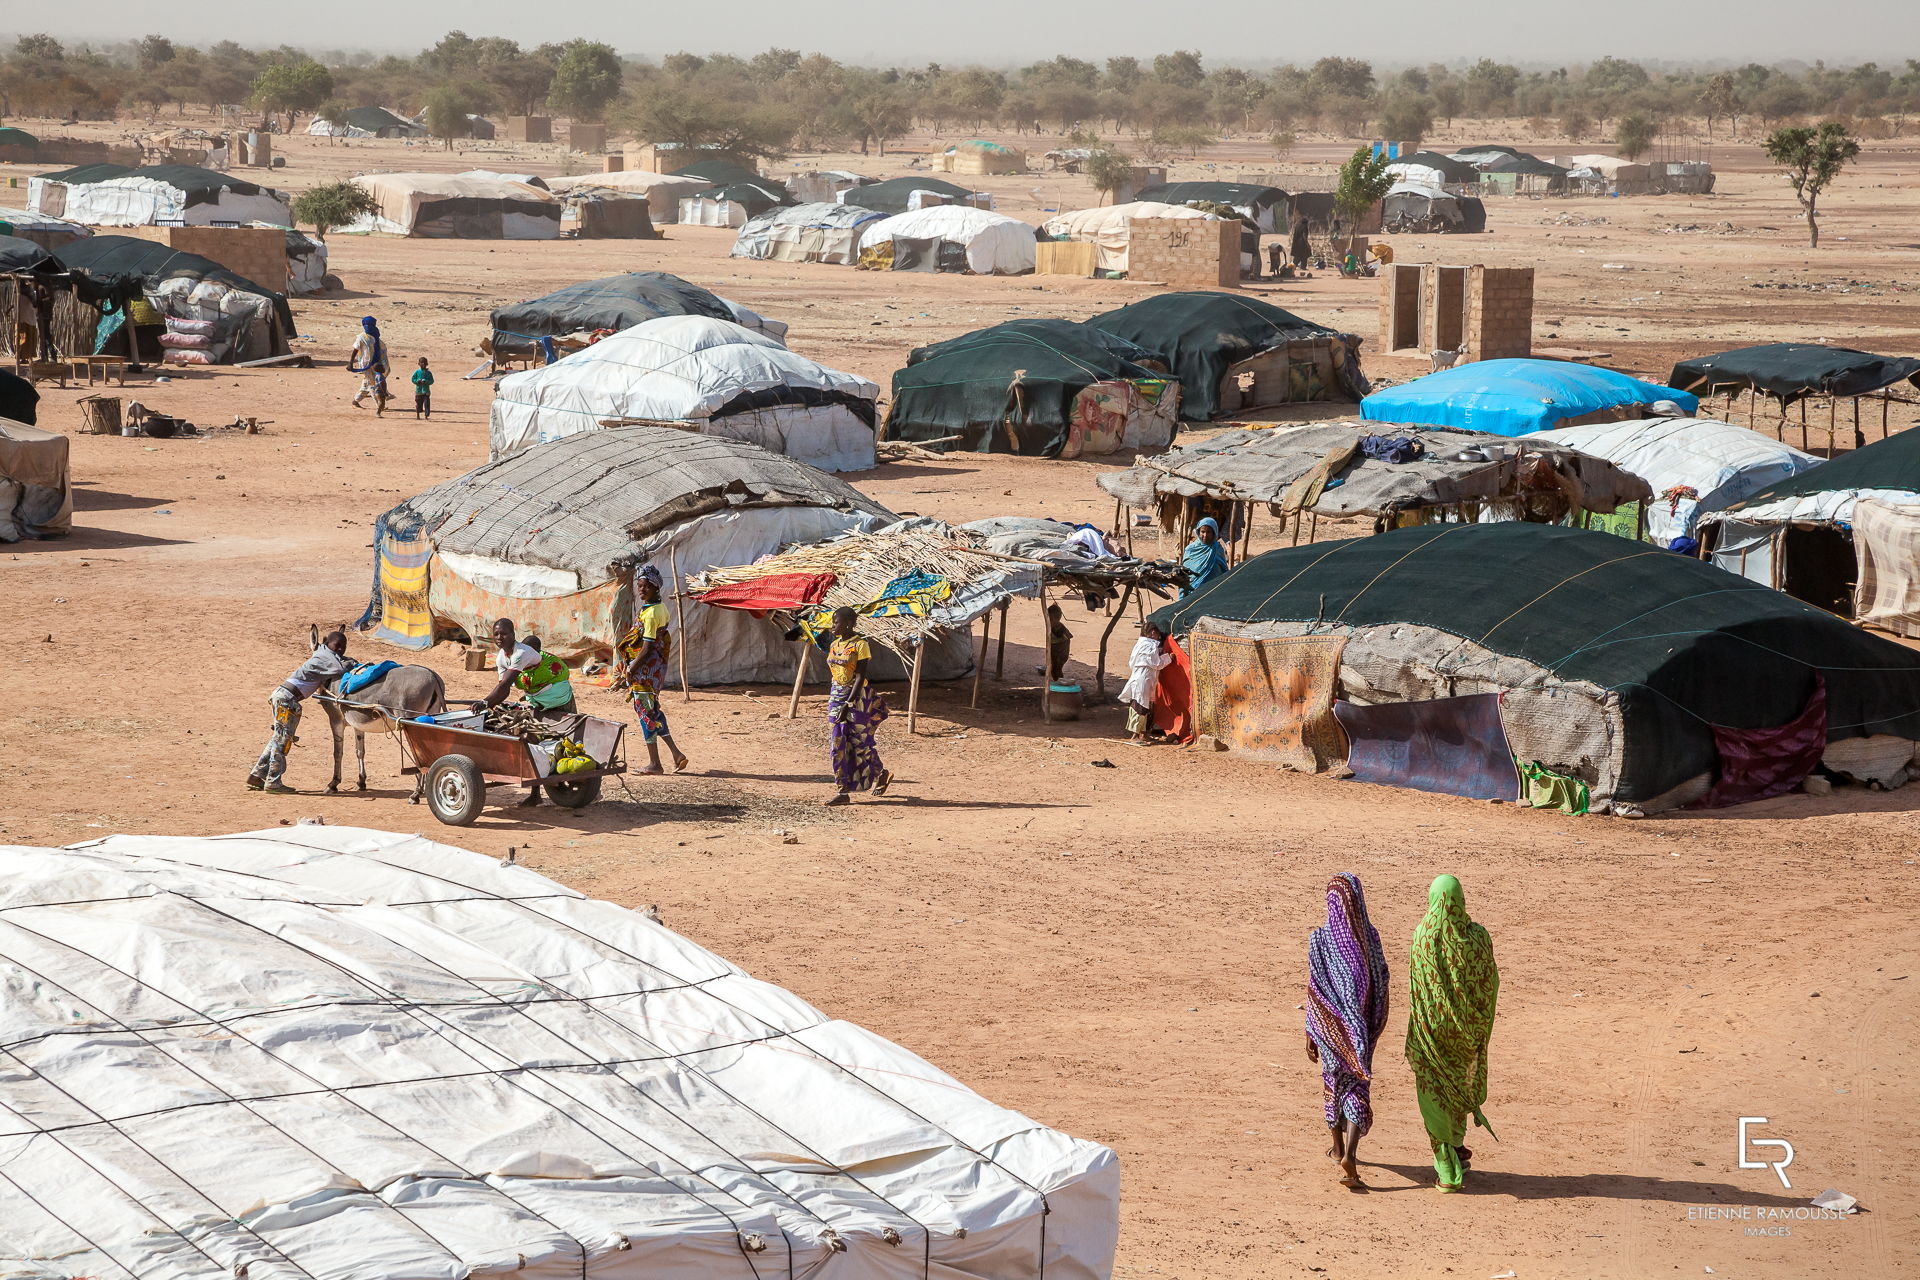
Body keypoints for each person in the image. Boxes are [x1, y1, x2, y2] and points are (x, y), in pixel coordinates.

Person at [1406, 873, 1500, 1192]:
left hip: (1432, 1035)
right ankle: (1458, 1145)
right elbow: (1490, 984)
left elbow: (1418, 988)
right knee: (1460, 1086)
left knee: (1434, 1095)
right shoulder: (1479, 937)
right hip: (1469, 1035)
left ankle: (1446, 1166)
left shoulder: (1423, 937)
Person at [1306, 872, 1392, 1189]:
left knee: (1332, 1083)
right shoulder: (1370, 938)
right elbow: (1382, 982)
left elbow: (1314, 990)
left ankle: (1337, 1146)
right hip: (1361, 1029)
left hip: (1328, 1029)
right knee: (1357, 1086)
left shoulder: (1319, 939)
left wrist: (1311, 1033)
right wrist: (1373, 1024)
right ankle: (1351, 1153)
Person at [472, 618, 576, 805]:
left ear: (513, 634)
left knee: (561, 743)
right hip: (536, 703)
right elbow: (502, 690)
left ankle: (563, 784)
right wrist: (489, 705)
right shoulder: (501, 658)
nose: (499, 637)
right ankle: (536, 794)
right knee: (533, 742)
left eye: (503, 633)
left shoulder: (521, 653)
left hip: (559, 701)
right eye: (496, 634)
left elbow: (505, 686)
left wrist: (484, 702)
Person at [250, 630, 351, 794]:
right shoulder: (325, 656)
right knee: (283, 741)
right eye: (337, 646)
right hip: (287, 700)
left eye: (343, 647)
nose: (340, 650)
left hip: (284, 697)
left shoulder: (323, 653)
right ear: (328, 644)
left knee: (278, 737)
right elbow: (341, 668)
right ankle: (273, 782)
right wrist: (352, 662)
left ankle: (256, 775)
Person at [613, 566, 689, 775]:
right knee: (654, 712)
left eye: (646, 586)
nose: (642, 590)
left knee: (646, 715)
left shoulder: (652, 613)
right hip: (653, 671)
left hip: (645, 673)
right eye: (640, 586)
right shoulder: (658, 608)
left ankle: (655, 764)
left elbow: (646, 648)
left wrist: (630, 668)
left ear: (656, 587)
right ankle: (676, 754)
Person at [824, 605, 892, 805]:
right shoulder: (834, 645)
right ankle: (842, 791)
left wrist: (849, 703)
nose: (833, 626)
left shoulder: (860, 645)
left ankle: (881, 773)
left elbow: (860, 676)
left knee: (860, 743)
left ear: (848, 624)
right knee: (837, 743)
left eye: (836, 622)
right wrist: (839, 701)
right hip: (836, 696)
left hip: (858, 698)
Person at [1118, 620, 1171, 745]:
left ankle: (1143, 734)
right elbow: (1156, 663)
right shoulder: (1149, 646)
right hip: (1144, 678)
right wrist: (1169, 657)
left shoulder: (1141, 644)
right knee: (1140, 706)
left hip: (1142, 677)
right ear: (1153, 633)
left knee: (1143, 705)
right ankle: (1135, 735)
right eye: (1157, 634)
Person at [1180, 516, 1231, 599]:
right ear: (1198, 532)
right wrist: (1181, 599)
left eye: (1209, 532)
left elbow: (1224, 573)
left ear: (1214, 532)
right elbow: (1183, 576)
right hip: (1192, 596)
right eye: (1202, 531)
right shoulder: (1190, 550)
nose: (1205, 535)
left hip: (1213, 596)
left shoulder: (1217, 549)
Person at [348, 315, 389, 412]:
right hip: (365, 364)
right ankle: (379, 404)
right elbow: (355, 350)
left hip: (375, 364)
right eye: (366, 325)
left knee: (367, 383)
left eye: (370, 325)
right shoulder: (361, 337)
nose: (368, 327)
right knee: (372, 383)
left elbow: (379, 349)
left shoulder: (375, 335)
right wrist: (350, 363)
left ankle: (355, 401)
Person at [1045, 603, 1072, 679]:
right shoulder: (1052, 626)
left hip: (1061, 651)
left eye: (1050, 619)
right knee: (1054, 669)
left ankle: (1059, 681)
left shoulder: (1059, 628)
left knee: (1057, 668)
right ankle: (1057, 681)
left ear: (1057, 619)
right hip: (1054, 650)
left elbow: (1065, 640)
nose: (1048, 621)